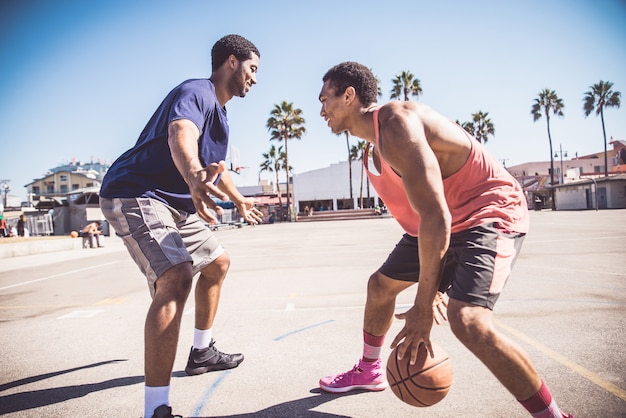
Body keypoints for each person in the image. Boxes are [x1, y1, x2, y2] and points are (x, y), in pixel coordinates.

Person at [317, 62, 572, 418]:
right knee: (379, 287)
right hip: (445, 222)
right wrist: (433, 281)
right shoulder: (373, 155)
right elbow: (421, 221)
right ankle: (369, 370)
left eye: (325, 98)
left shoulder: (397, 125)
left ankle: (554, 416)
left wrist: (424, 305)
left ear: (349, 96)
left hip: (488, 211)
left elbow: (436, 217)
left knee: (468, 320)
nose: (321, 110)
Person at [99, 34, 262, 418]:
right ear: (232, 62)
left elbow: (213, 169)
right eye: (253, 69)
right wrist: (192, 175)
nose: (255, 79)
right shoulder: (198, 91)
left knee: (218, 264)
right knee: (177, 277)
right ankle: (156, 410)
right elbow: (180, 135)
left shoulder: (221, 115)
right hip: (136, 193)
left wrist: (238, 199)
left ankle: (202, 352)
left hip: (173, 204)